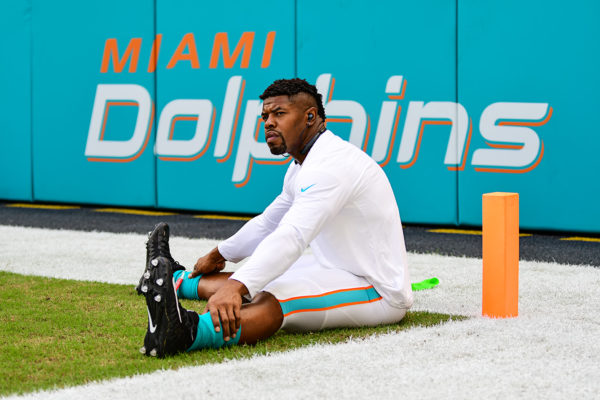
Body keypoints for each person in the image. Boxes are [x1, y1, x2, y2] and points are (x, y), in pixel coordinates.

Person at [136, 78, 413, 358]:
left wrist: (236, 287)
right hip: (334, 267)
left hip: (376, 288)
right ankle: (173, 280)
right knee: (261, 274)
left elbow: (292, 235)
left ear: (310, 117)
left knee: (278, 294)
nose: (268, 123)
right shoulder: (303, 164)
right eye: (265, 116)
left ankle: (187, 333)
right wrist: (220, 253)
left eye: (279, 114)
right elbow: (269, 223)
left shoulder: (330, 166)